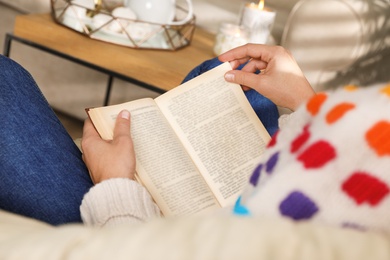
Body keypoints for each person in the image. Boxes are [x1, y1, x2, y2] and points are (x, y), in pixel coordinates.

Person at [2, 44, 389, 234]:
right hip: (252, 213)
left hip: (156, 239)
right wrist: (305, 102)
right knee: (228, 75)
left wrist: (114, 184)